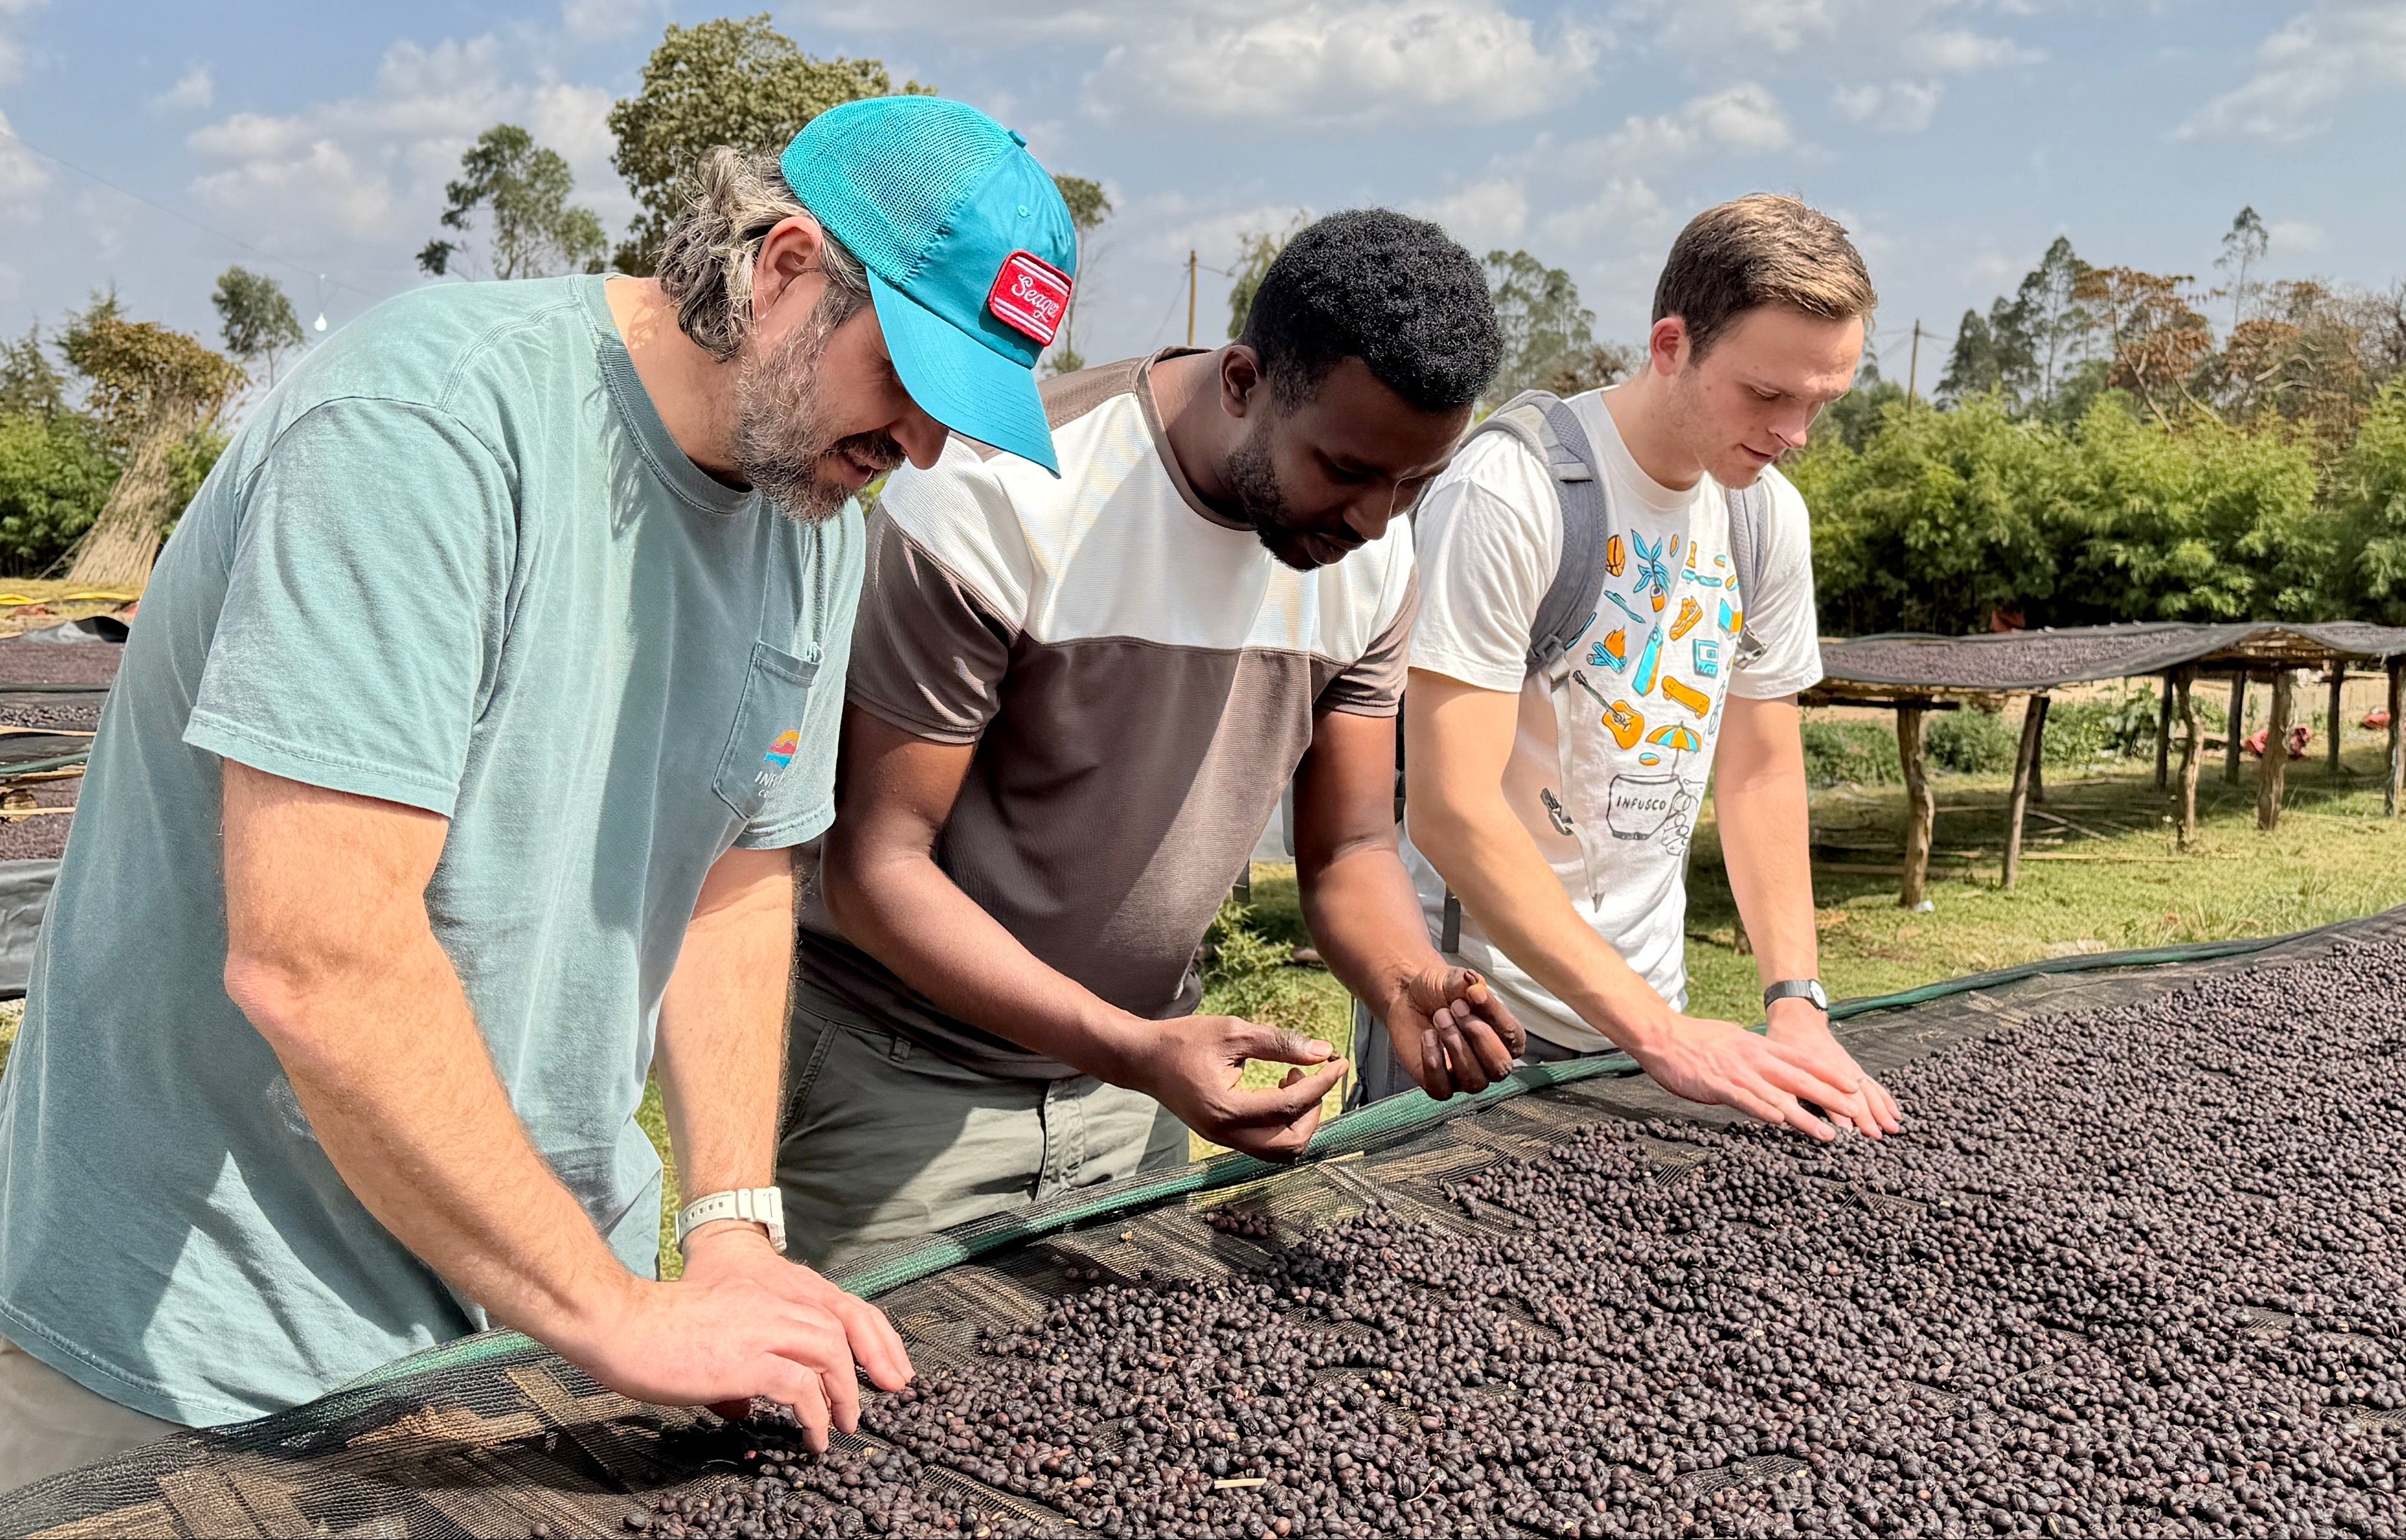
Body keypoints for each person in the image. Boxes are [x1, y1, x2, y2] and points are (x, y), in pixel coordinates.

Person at [0, 94, 1078, 1490]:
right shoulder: (425, 430)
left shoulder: (806, 521)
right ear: (784, 269)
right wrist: (616, 1315)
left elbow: (736, 878)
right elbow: (319, 957)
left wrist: (734, 1226)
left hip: (522, 1310)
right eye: (910, 378)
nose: (924, 446)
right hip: (204, 1343)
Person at [778, 210, 1527, 1271]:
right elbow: (874, 868)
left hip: (1132, 1090)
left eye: (1415, 483)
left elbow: (1350, 848)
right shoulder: (1003, 492)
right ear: (1241, 380)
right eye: (1348, 468)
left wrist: (1408, 986)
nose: (1376, 518)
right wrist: (1135, 1050)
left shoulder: (1374, 553)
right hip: (905, 1084)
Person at [1385, 195, 1904, 1140]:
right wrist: (1660, 1030)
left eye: (1819, 402)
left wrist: (1794, 1001)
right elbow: (1451, 808)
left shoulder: (1763, 517)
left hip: (1647, 1024)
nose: (1794, 433)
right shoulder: (1511, 492)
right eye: (1767, 395)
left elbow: (1760, 770)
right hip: (1478, 1023)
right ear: (1670, 345)